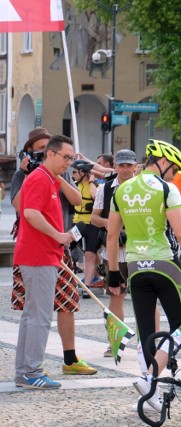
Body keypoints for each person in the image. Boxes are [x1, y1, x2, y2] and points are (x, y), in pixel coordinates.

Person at [107, 139, 181, 412]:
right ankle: (149, 376)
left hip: (136, 268)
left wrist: (114, 271)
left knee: (147, 331)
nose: (174, 175)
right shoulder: (166, 189)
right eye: (173, 169)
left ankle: (150, 391)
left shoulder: (122, 190)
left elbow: (112, 235)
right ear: (162, 162)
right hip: (165, 265)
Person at [10, 128, 97, 379]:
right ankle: (31, 372)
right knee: (39, 317)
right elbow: (29, 213)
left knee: (34, 316)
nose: (70, 163)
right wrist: (58, 235)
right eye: (66, 158)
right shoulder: (37, 178)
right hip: (38, 255)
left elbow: (76, 200)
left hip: (44, 255)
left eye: (71, 159)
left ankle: (26, 371)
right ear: (50, 154)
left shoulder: (48, 177)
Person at [91, 149, 138, 357]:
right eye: (122, 165)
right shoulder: (106, 188)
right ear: (115, 167)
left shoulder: (145, 188)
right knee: (116, 297)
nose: (126, 169)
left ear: (135, 166)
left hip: (140, 251)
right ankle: (115, 343)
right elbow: (94, 218)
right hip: (115, 252)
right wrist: (112, 225)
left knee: (145, 298)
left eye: (129, 165)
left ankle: (148, 342)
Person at [70, 159, 103, 290]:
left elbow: (95, 196)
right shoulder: (75, 185)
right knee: (68, 248)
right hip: (78, 223)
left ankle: (87, 286)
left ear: (82, 172)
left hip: (92, 225)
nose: (72, 174)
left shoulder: (93, 185)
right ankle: (98, 274)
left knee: (89, 255)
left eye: (74, 172)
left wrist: (91, 181)